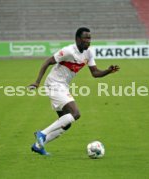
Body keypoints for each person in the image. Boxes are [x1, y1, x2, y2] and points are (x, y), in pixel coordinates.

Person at [29, 27, 120, 155]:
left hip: (63, 86)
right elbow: (47, 62)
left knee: (66, 123)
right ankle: (42, 134)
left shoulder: (88, 53)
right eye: (85, 38)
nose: (88, 41)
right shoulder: (68, 51)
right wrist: (37, 82)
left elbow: (95, 73)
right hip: (54, 84)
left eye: (90, 38)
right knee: (75, 113)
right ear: (77, 39)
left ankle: (38, 145)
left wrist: (108, 71)